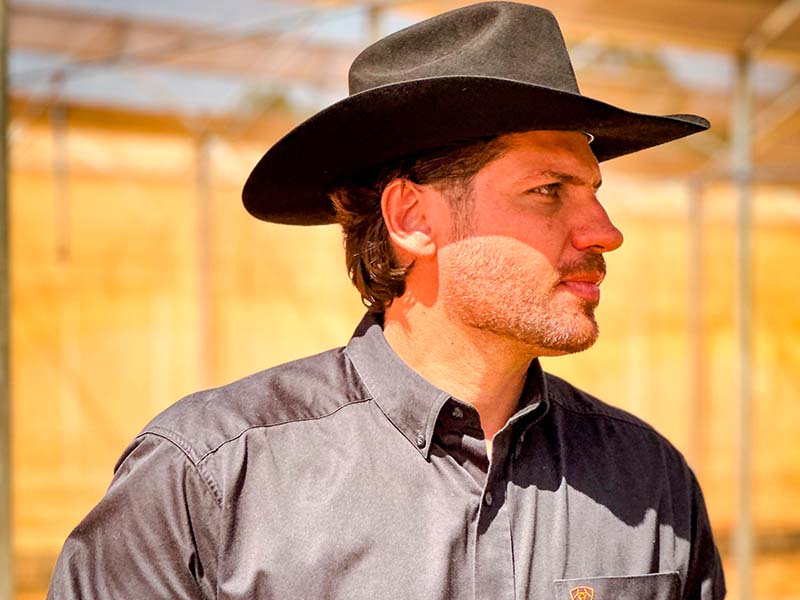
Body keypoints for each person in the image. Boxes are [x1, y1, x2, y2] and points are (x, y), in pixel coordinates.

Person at [48, 2, 725, 599]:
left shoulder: (649, 480)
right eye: (549, 191)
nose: (606, 231)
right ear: (412, 218)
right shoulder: (211, 479)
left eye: (595, 192)